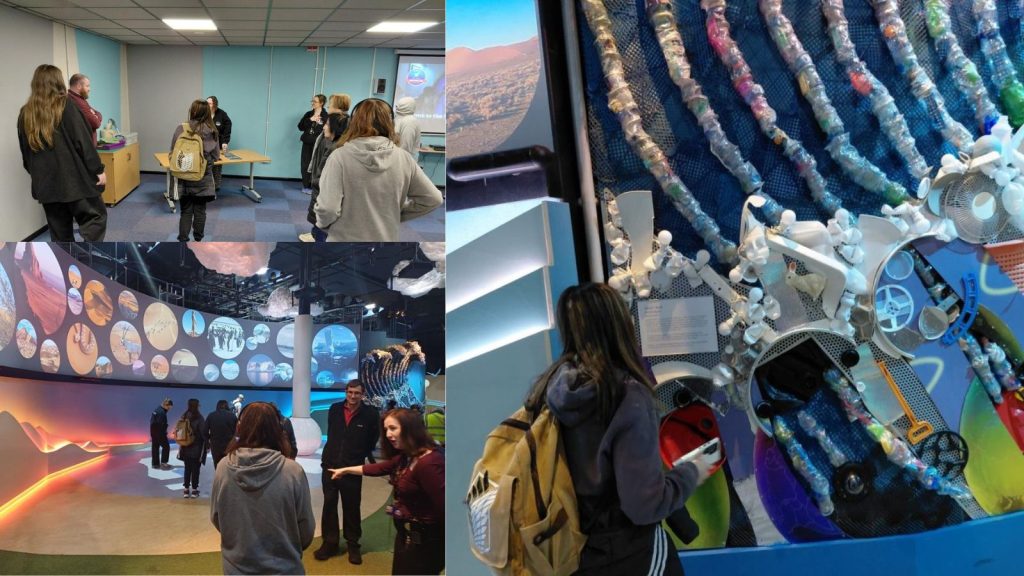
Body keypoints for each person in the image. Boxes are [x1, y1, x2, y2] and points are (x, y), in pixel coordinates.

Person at [524, 283, 716, 575]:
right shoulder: (626, 396)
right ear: (620, 325)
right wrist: (693, 470)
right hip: (630, 553)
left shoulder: (547, 389)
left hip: (569, 553)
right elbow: (643, 505)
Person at [329, 408, 444, 575]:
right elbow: (381, 467)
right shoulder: (409, 455)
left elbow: (446, 508)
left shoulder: (429, 463)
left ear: (410, 428)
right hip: (408, 534)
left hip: (425, 542)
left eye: (393, 428)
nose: (388, 434)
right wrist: (345, 470)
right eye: (386, 429)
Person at [314, 98, 443, 241]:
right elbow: (433, 199)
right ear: (390, 124)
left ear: (353, 123)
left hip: (343, 241)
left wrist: (322, 224)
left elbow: (328, 209)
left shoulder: (339, 157)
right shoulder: (404, 158)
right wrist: (393, 214)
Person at [211, 402, 314, 575]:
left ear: (240, 427)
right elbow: (306, 528)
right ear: (279, 430)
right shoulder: (293, 471)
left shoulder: (223, 467)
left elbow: (217, 517)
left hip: (236, 568)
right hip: (285, 568)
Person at [18, 64, 107, 241]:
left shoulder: (25, 113)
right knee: (95, 219)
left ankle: (67, 264)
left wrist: (39, 176)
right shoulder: (67, 106)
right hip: (75, 183)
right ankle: (88, 261)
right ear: (58, 82)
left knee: (60, 234)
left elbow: (26, 155)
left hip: (47, 186)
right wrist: (98, 170)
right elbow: (84, 143)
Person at [316, 379, 380, 565]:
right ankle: (330, 543)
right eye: (350, 392)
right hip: (330, 465)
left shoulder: (370, 414)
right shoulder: (335, 409)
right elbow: (333, 433)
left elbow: (372, 439)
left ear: (363, 394)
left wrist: (356, 456)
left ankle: (353, 545)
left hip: (352, 468)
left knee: (351, 507)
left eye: (357, 393)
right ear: (346, 392)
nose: (353, 396)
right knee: (329, 505)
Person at [171, 99, 220, 241]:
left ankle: (183, 239)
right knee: (200, 211)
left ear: (192, 111)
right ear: (207, 113)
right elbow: (216, 156)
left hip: (184, 175)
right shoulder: (212, 131)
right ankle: (198, 239)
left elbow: (173, 151)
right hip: (203, 177)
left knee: (185, 211)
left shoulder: (181, 128)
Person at [300, 112, 347, 243]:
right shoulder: (333, 145)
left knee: (322, 236)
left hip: (326, 205)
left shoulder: (336, 151)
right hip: (323, 199)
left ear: (335, 128)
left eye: (326, 124)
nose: (324, 127)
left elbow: (327, 184)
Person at [177, 398, 208, 498]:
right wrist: (207, 444)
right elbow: (203, 433)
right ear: (197, 405)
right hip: (197, 448)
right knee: (195, 469)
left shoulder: (184, 416)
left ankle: (186, 490)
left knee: (187, 468)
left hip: (185, 446)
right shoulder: (199, 418)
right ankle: (194, 490)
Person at [298, 94, 327, 194]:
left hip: (319, 144)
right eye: (312, 101)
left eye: (315, 101)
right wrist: (311, 119)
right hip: (307, 142)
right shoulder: (308, 114)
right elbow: (300, 127)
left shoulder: (326, 116)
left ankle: (314, 186)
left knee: (317, 164)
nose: (312, 103)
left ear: (321, 103)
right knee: (305, 163)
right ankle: (306, 186)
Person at [67, 73, 102, 147]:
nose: (89, 89)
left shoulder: (77, 99)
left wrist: (96, 114)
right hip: (85, 148)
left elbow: (97, 112)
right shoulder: (78, 102)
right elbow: (96, 123)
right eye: (87, 86)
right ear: (79, 86)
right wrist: (95, 115)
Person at [206, 95, 232, 191]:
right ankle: (207, 185)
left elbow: (228, 125)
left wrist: (225, 141)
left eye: (209, 103)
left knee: (217, 165)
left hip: (218, 144)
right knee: (207, 164)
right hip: (206, 145)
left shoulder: (222, 114)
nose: (207, 105)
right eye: (206, 103)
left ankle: (216, 185)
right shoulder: (204, 114)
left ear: (214, 104)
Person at [204, 399, 238, 469]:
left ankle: (218, 479)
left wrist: (208, 444)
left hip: (215, 445)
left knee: (217, 465)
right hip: (229, 445)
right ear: (227, 406)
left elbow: (204, 431)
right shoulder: (232, 416)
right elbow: (237, 432)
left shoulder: (211, 415)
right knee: (229, 466)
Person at [394, 96, 421, 161]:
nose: (397, 107)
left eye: (399, 105)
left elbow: (406, 145)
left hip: (405, 159)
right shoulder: (399, 118)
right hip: (398, 157)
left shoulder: (410, 121)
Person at [150, 398, 173, 470]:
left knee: (155, 447)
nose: (169, 409)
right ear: (166, 405)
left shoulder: (157, 410)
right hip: (160, 433)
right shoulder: (162, 413)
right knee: (166, 447)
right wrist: (164, 433)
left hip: (153, 432)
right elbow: (161, 425)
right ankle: (164, 463)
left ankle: (155, 464)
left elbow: (152, 422)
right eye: (169, 407)